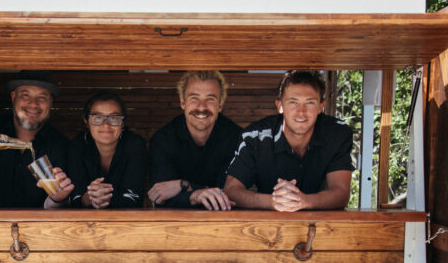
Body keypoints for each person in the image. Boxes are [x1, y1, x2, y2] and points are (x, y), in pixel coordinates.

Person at [224, 70, 353, 211]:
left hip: (321, 225)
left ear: (320, 107)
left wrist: (304, 201)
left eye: (309, 103)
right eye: (293, 102)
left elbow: (341, 193)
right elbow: (231, 191)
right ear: (279, 106)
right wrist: (273, 201)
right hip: (267, 225)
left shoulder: (337, 134)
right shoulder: (255, 137)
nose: (301, 112)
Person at [0, 71, 73, 208]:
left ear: (50, 103)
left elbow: (62, 205)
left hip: (37, 227)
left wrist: (58, 198)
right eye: (26, 95)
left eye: (42, 97)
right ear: (13, 97)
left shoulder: (61, 145)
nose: (33, 104)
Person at [147, 70, 242, 210]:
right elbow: (160, 198)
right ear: (182, 103)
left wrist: (183, 186)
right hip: (174, 223)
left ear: (220, 105)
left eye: (210, 99)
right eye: (194, 98)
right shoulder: (163, 139)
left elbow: (230, 195)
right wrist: (196, 193)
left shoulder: (236, 138)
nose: (201, 107)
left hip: (223, 220)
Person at [68, 92, 147, 208]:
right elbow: (74, 199)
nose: (106, 125)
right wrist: (87, 198)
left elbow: (135, 197)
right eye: (98, 118)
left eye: (114, 118)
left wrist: (102, 198)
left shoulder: (135, 145)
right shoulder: (77, 146)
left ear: (122, 122)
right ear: (86, 121)